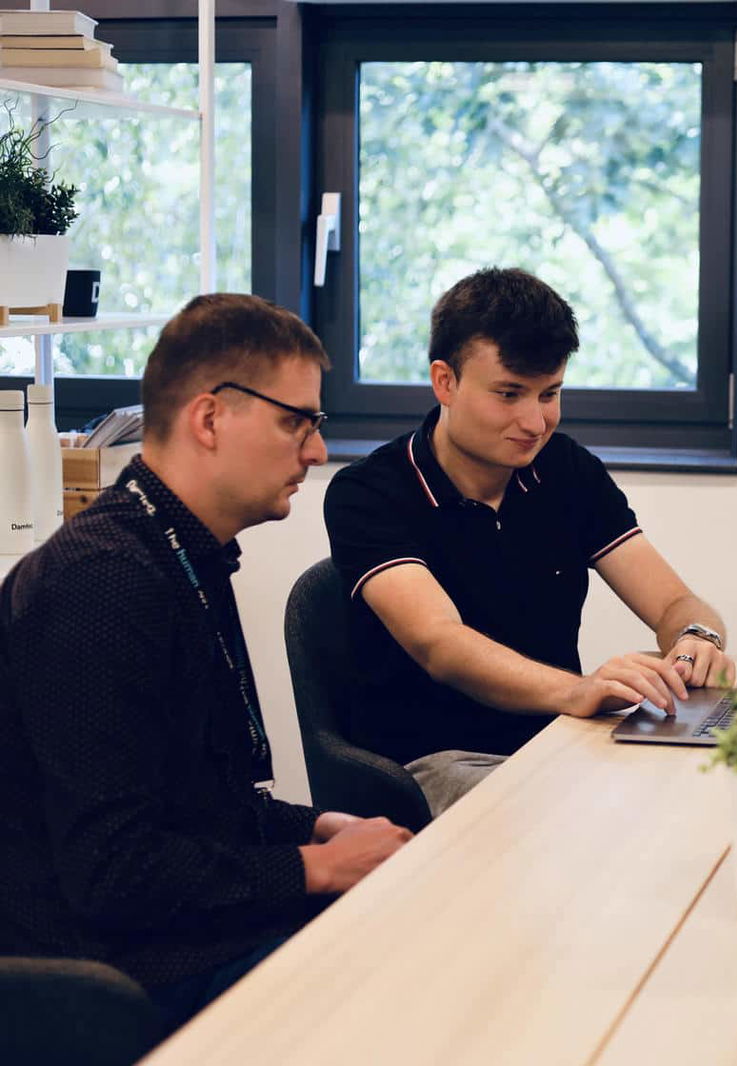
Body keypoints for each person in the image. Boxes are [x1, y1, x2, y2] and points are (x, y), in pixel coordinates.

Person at [0, 294, 412, 1033]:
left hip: (166, 932)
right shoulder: (99, 583)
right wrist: (311, 868)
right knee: (399, 979)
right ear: (210, 418)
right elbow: (113, 872)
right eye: (298, 423)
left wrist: (321, 826)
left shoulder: (184, 553)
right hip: (105, 971)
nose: (316, 453)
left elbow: (202, 801)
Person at [324, 267, 734, 814]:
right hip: (437, 760)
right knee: (615, 824)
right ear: (445, 381)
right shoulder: (369, 491)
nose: (535, 422)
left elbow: (673, 602)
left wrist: (697, 639)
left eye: (550, 394)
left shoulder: (566, 471)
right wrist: (578, 689)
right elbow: (441, 644)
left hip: (562, 741)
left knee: (712, 787)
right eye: (509, 394)